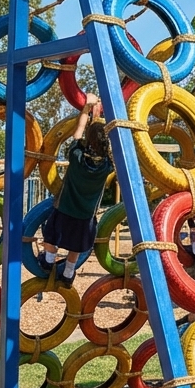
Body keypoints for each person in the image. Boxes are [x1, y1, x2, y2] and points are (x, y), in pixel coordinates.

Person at [38, 93, 112, 286]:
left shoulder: (77, 156)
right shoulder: (107, 166)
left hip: (65, 208)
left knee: (51, 235)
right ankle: (69, 272)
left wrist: (86, 108)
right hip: (86, 214)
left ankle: (48, 259)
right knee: (77, 245)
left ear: (87, 140)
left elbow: (79, 130)